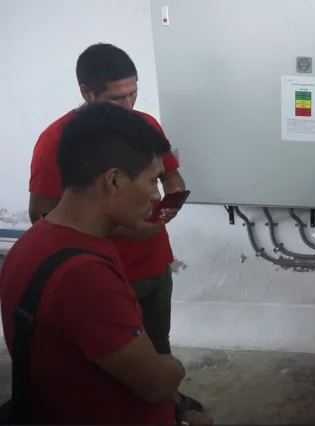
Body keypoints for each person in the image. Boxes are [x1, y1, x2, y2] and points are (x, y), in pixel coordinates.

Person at [0, 102, 211, 424]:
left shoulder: (36, 242)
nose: (158, 196)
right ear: (113, 180)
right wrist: (171, 366)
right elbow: (155, 385)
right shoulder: (83, 276)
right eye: (153, 180)